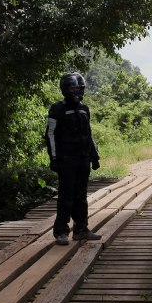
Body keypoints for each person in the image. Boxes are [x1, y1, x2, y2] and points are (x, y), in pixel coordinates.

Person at [45, 72, 101, 245]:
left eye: (78, 87)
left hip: (83, 158)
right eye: (72, 87)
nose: (75, 90)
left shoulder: (85, 109)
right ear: (65, 88)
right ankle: (61, 232)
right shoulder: (57, 108)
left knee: (81, 196)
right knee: (66, 196)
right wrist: (54, 159)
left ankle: (81, 229)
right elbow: (50, 134)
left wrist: (94, 155)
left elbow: (89, 134)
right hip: (66, 159)